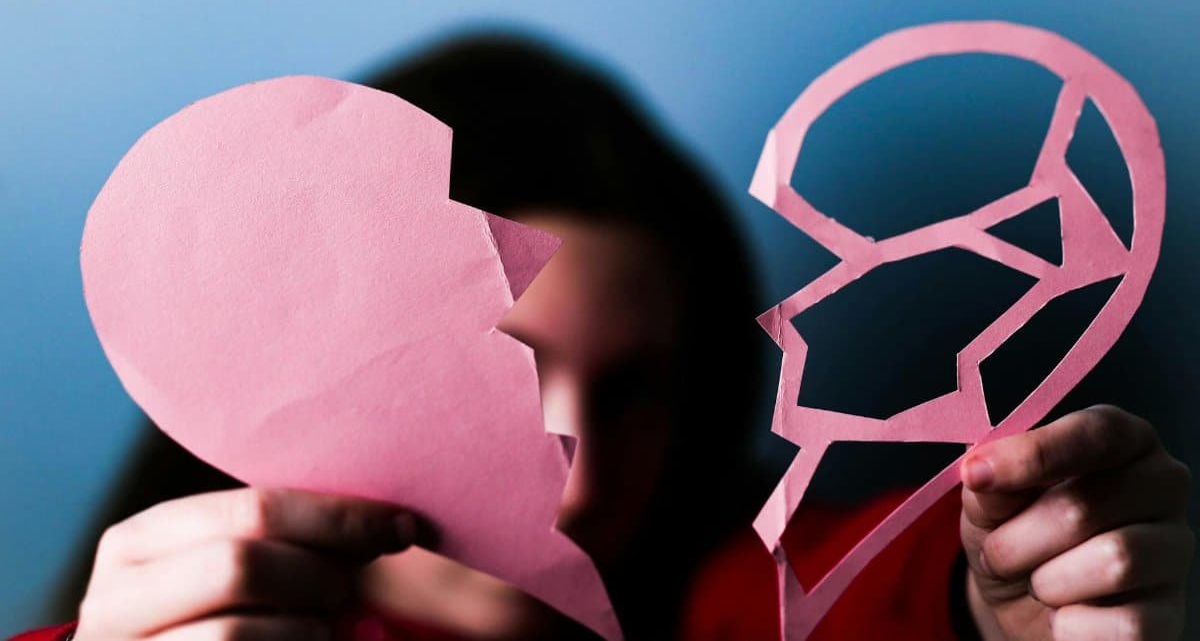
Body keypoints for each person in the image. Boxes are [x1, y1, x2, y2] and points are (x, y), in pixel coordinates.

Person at [12, 35, 1193, 641]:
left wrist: (993, 601)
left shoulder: (736, 591)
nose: (574, 486)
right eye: (497, 370)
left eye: (630, 393)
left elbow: (861, 585)